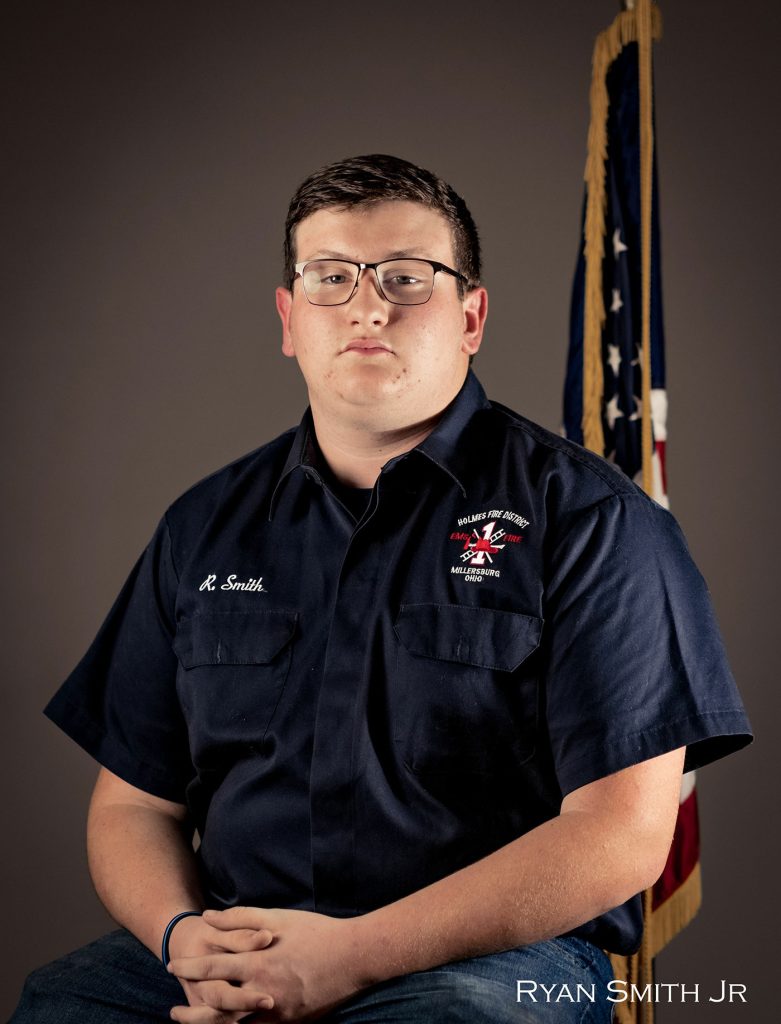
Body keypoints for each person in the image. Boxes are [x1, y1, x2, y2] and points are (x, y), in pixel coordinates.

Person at [13, 154, 751, 1024]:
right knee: (59, 1008)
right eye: (330, 277)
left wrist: (350, 957)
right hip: (235, 939)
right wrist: (184, 940)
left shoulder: (593, 520)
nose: (367, 305)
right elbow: (132, 806)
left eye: (407, 277)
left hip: (490, 962)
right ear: (289, 319)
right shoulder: (201, 526)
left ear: (471, 316)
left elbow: (620, 835)